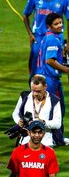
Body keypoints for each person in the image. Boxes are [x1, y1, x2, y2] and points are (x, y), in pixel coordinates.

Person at [23, 0, 69, 77]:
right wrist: (30, 34)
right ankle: (34, 88)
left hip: (56, 36)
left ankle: (52, 87)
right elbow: (25, 15)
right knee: (35, 64)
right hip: (38, 37)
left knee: (53, 63)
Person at [37, 13, 69, 144]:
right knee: (56, 109)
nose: (60, 25)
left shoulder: (50, 37)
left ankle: (57, 138)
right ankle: (56, 139)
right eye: (56, 24)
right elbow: (49, 60)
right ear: (49, 26)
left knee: (54, 108)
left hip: (46, 78)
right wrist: (66, 69)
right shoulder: (52, 40)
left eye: (61, 22)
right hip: (50, 79)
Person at [12, 74, 62, 147]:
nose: (35, 94)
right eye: (33, 90)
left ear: (45, 87)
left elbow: (57, 123)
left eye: (38, 91)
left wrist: (43, 123)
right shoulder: (25, 96)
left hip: (45, 142)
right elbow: (15, 113)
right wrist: (19, 121)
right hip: (25, 141)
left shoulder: (54, 100)